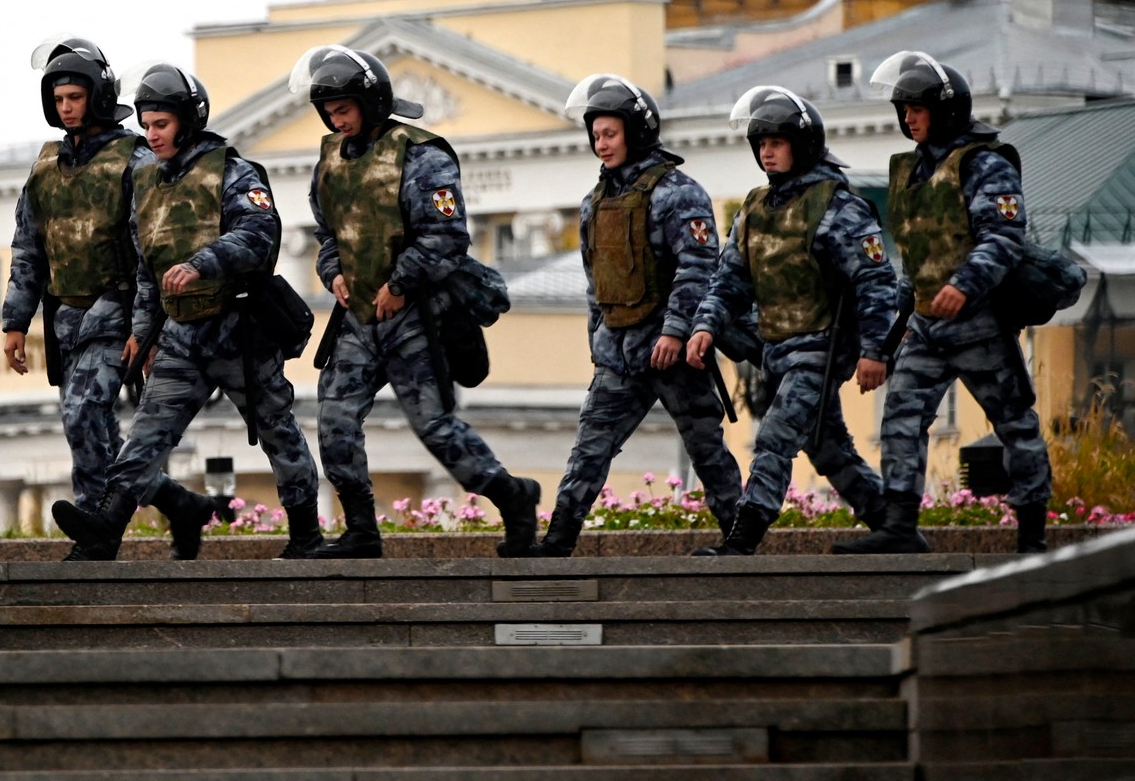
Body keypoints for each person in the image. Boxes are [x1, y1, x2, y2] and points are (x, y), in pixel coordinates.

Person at [51, 63, 324, 561]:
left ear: (187, 121)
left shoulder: (233, 172)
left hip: (239, 333)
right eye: (147, 124)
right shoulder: (146, 183)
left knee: (277, 432)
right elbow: (145, 268)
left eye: (162, 125)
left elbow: (258, 235)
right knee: (146, 435)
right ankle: (105, 530)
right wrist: (143, 331)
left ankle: (306, 533)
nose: (151, 135)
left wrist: (201, 264)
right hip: (179, 337)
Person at [289, 46, 536, 559]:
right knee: (334, 421)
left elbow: (446, 236)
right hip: (358, 317)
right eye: (329, 112)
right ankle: (360, 532)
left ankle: (513, 499)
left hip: (413, 315)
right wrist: (332, 271)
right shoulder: (330, 158)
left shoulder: (422, 154)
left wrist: (398, 285)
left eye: (344, 109)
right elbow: (328, 232)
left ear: (372, 102)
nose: (336, 120)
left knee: (435, 427)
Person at [834, 51, 1053, 555]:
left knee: (1015, 423)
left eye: (917, 108)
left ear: (945, 110)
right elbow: (915, 264)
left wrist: (966, 285)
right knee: (901, 421)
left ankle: (1032, 536)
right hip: (926, 325)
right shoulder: (911, 172)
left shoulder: (984, 163)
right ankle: (901, 528)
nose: (907, 117)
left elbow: (1003, 237)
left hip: (978, 322)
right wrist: (887, 344)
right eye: (903, 108)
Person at [522, 75, 743, 557]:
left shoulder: (678, 193)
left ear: (636, 132)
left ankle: (739, 541)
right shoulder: (594, 201)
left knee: (705, 446)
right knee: (590, 448)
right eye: (596, 135)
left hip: (673, 354)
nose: (601, 144)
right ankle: (558, 542)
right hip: (619, 356)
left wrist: (676, 331)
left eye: (610, 134)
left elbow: (700, 267)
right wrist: (598, 342)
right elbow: (595, 282)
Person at [686, 86, 894, 556]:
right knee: (827, 448)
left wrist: (875, 351)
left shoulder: (838, 206)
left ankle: (742, 540)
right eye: (761, 144)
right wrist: (704, 326)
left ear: (802, 144)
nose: (766, 152)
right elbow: (728, 280)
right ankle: (891, 523)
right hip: (775, 351)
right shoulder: (756, 208)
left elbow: (875, 283)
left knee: (775, 438)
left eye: (776, 142)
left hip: (821, 350)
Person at [2, 36, 164, 560]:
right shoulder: (46, 165)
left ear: (96, 96)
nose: (65, 107)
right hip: (65, 318)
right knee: (89, 427)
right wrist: (13, 323)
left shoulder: (133, 158)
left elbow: (149, 250)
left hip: (116, 309)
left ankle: (96, 526)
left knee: (83, 412)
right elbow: (28, 248)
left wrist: (147, 327)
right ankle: (177, 503)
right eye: (58, 99)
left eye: (74, 96)